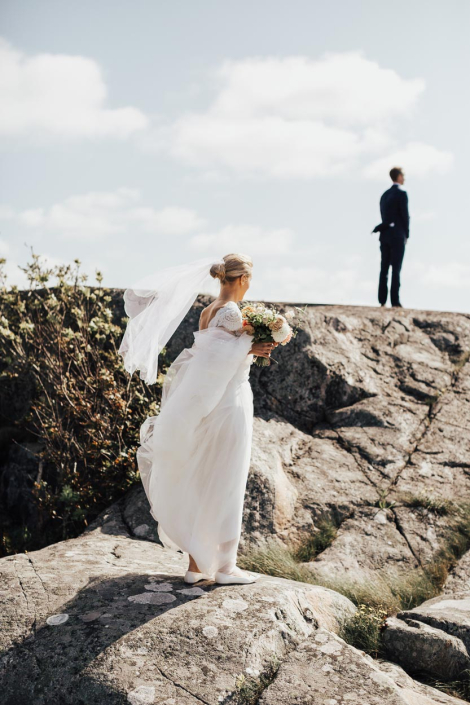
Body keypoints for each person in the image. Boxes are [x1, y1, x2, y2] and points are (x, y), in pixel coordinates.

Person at [118, 253, 276, 585]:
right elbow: (219, 364)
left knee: (202, 482)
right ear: (243, 280)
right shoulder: (232, 312)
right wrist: (252, 348)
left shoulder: (208, 311)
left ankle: (195, 566)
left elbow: (206, 359)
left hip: (208, 408)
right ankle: (224, 568)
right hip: (228, 406)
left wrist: (247, 347)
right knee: (226, 483)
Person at [375, 166, 410, 308]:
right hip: (397, 235)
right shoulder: (402, 194)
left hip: (384, 234)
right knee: (396, 268)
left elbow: (383, 215)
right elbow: (405, 215)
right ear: (399, 176)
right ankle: (395, 301)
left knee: (384, 268)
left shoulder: (384, 195)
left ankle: (382, 300)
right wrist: (406, 233)